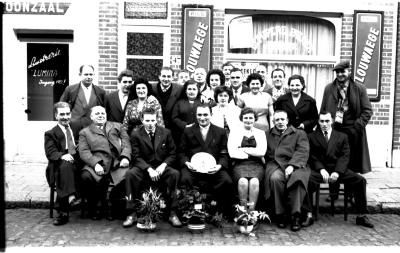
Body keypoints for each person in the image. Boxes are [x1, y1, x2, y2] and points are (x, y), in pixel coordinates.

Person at [306, 111, 374, 228]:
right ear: (318, 122)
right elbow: (312, 156)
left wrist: (337, 172)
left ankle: (361, 215)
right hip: (320, 170)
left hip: (338, 169)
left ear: (331, 121)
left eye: (327, 121)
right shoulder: (311, 137)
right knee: (306, 180)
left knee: (360, 181)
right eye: (321, 121)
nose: (324, 124)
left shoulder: (342, 136)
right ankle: (308, 214)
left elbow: (345, 156)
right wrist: (321, 169)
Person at [123, 107, 182, 228]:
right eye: (147, 121)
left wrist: (163, 166)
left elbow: (172, 153)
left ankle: (173, 213)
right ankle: (131, 213)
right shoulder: (135, 134)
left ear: (157, 120)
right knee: (130, 175)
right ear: (142, 120)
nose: (150, 124)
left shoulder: (166, 132)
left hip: (161, 166)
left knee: (175, 174)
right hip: (144, 167)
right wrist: (149, 169)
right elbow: (136, 156)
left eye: (152, 120)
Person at [179, 104, 234, 217]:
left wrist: (219, 166)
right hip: (193, 169)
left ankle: (216, 211)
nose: (202, 118)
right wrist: (187, 163)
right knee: (185, 178)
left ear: (211, 115)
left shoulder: (220, 132)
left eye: (205, 114)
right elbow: (181, 152)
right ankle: (190, 211)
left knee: (226, 180)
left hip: (213, 169)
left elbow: (224, 153)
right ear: (195, 115)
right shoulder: (188, 131)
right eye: (199, 115)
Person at [78, 106, 131, 220]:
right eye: (97, 114)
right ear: (91, 117)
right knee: (86, 176)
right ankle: (94, 208)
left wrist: (125, 157)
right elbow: (84, 151)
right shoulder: (85, 132)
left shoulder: (118, 126)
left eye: (103, 113)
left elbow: (127, 143)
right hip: (98, 163)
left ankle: (115, 208)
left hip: (117, 163)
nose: (101, 115)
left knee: (129, 175)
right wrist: (95, 164)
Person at [320, 60, 372, 175]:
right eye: (337, 72)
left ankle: (351, 190)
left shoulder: (359, 88)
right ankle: (336, 187)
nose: (339, 74)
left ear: (349, 72)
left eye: (342, 71)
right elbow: (323, 109)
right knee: (335, 160)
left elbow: (367, 111)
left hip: (353, 130)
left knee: (352, 162)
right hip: (335, 130)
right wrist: (323, 127)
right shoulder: (329, 88)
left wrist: (357, 126)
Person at [264, 110, 310, 232]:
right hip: (276, 165)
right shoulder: (268, 134)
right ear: (273, 121)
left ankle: (296, 215)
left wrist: (292, 165)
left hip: (297, 164)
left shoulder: (299, 133)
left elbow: (302, 151)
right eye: (277, 120)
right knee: (275, 178)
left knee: (298, 179)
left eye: (282, 119)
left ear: (287, 121)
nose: (280, 122)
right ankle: (281, 214)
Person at [44, 102, 82, 226]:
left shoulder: (76, 127)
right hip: (59, 163)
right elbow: (50, 152)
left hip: (77, 161)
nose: (65, 117)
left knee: (72, 169)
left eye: (67, 113)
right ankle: (66, 206)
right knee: (65, 167)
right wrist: (62, 155)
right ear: (56, 116)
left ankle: (63, 209)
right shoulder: (51, 133)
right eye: (62, 114)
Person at [228, 108, 267, 211]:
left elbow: (262, 152)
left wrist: (242, 149)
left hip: (257, 164)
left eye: (251, 118)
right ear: (241, 119)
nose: (248, 120)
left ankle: (251, 212)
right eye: (246, 118)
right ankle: (243, 211)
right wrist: (252, 152)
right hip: (239, 163)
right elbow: (232, 153)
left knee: (254, 182)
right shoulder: (235, 132)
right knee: (243, 182)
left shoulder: (261, 133)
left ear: (255, 119)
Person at [171, 80, 202, 144]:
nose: (191, 91)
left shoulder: (202, 102)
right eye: (189, 89)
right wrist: (185, 125)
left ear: (198, 91)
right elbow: (174, 118)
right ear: (185, 90)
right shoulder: (179, 103)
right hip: (182, 133)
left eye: (194, 89)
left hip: (199, 132)